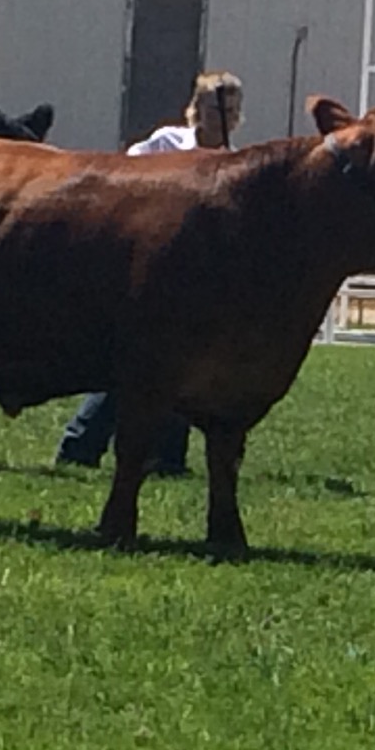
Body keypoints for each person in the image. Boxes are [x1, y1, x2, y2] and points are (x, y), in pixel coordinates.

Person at [53, 70, 244, 473]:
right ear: (196, 109)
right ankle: (80, 446)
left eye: (229, 110)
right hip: (147, 271)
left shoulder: (237, 164)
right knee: (132, 364)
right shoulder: (164, 144)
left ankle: (166, 458)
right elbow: (124, 182)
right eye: (215, 109)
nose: (222, 117)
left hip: (197, 280)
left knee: (177, 369)